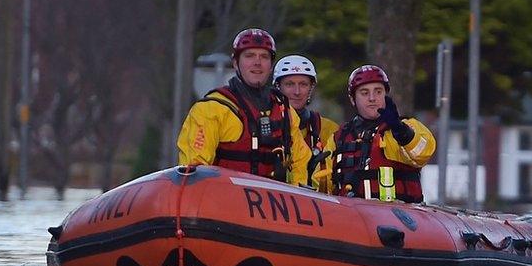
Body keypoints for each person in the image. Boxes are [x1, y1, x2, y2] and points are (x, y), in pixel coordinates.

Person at [176, 28, 300, 181]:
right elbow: (194, 167)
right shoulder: (211, 109)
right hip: (224, 200)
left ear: (271, 66)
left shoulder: (285, 112)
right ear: (235, 63)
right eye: (249, 56)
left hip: (273, 202)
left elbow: (300, 164)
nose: (257, 63)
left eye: (264, 57)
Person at [321, 63, 436, 203]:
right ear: (352, 99)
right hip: (351, 219)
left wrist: (400, 131)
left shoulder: (405, 127)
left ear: (386, 95)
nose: (372, 98)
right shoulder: (339, 137)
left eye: (378, 91)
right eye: (364, 93)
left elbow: (424, 152)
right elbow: (321, 182)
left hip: (398, 218)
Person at [273, 53, 337, 191]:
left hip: (318, 205)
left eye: (303, 84)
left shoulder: (327, 129)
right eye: (289, 84)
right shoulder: (268, 125)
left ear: (311, 88)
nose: (297, 91)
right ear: (278, 87)